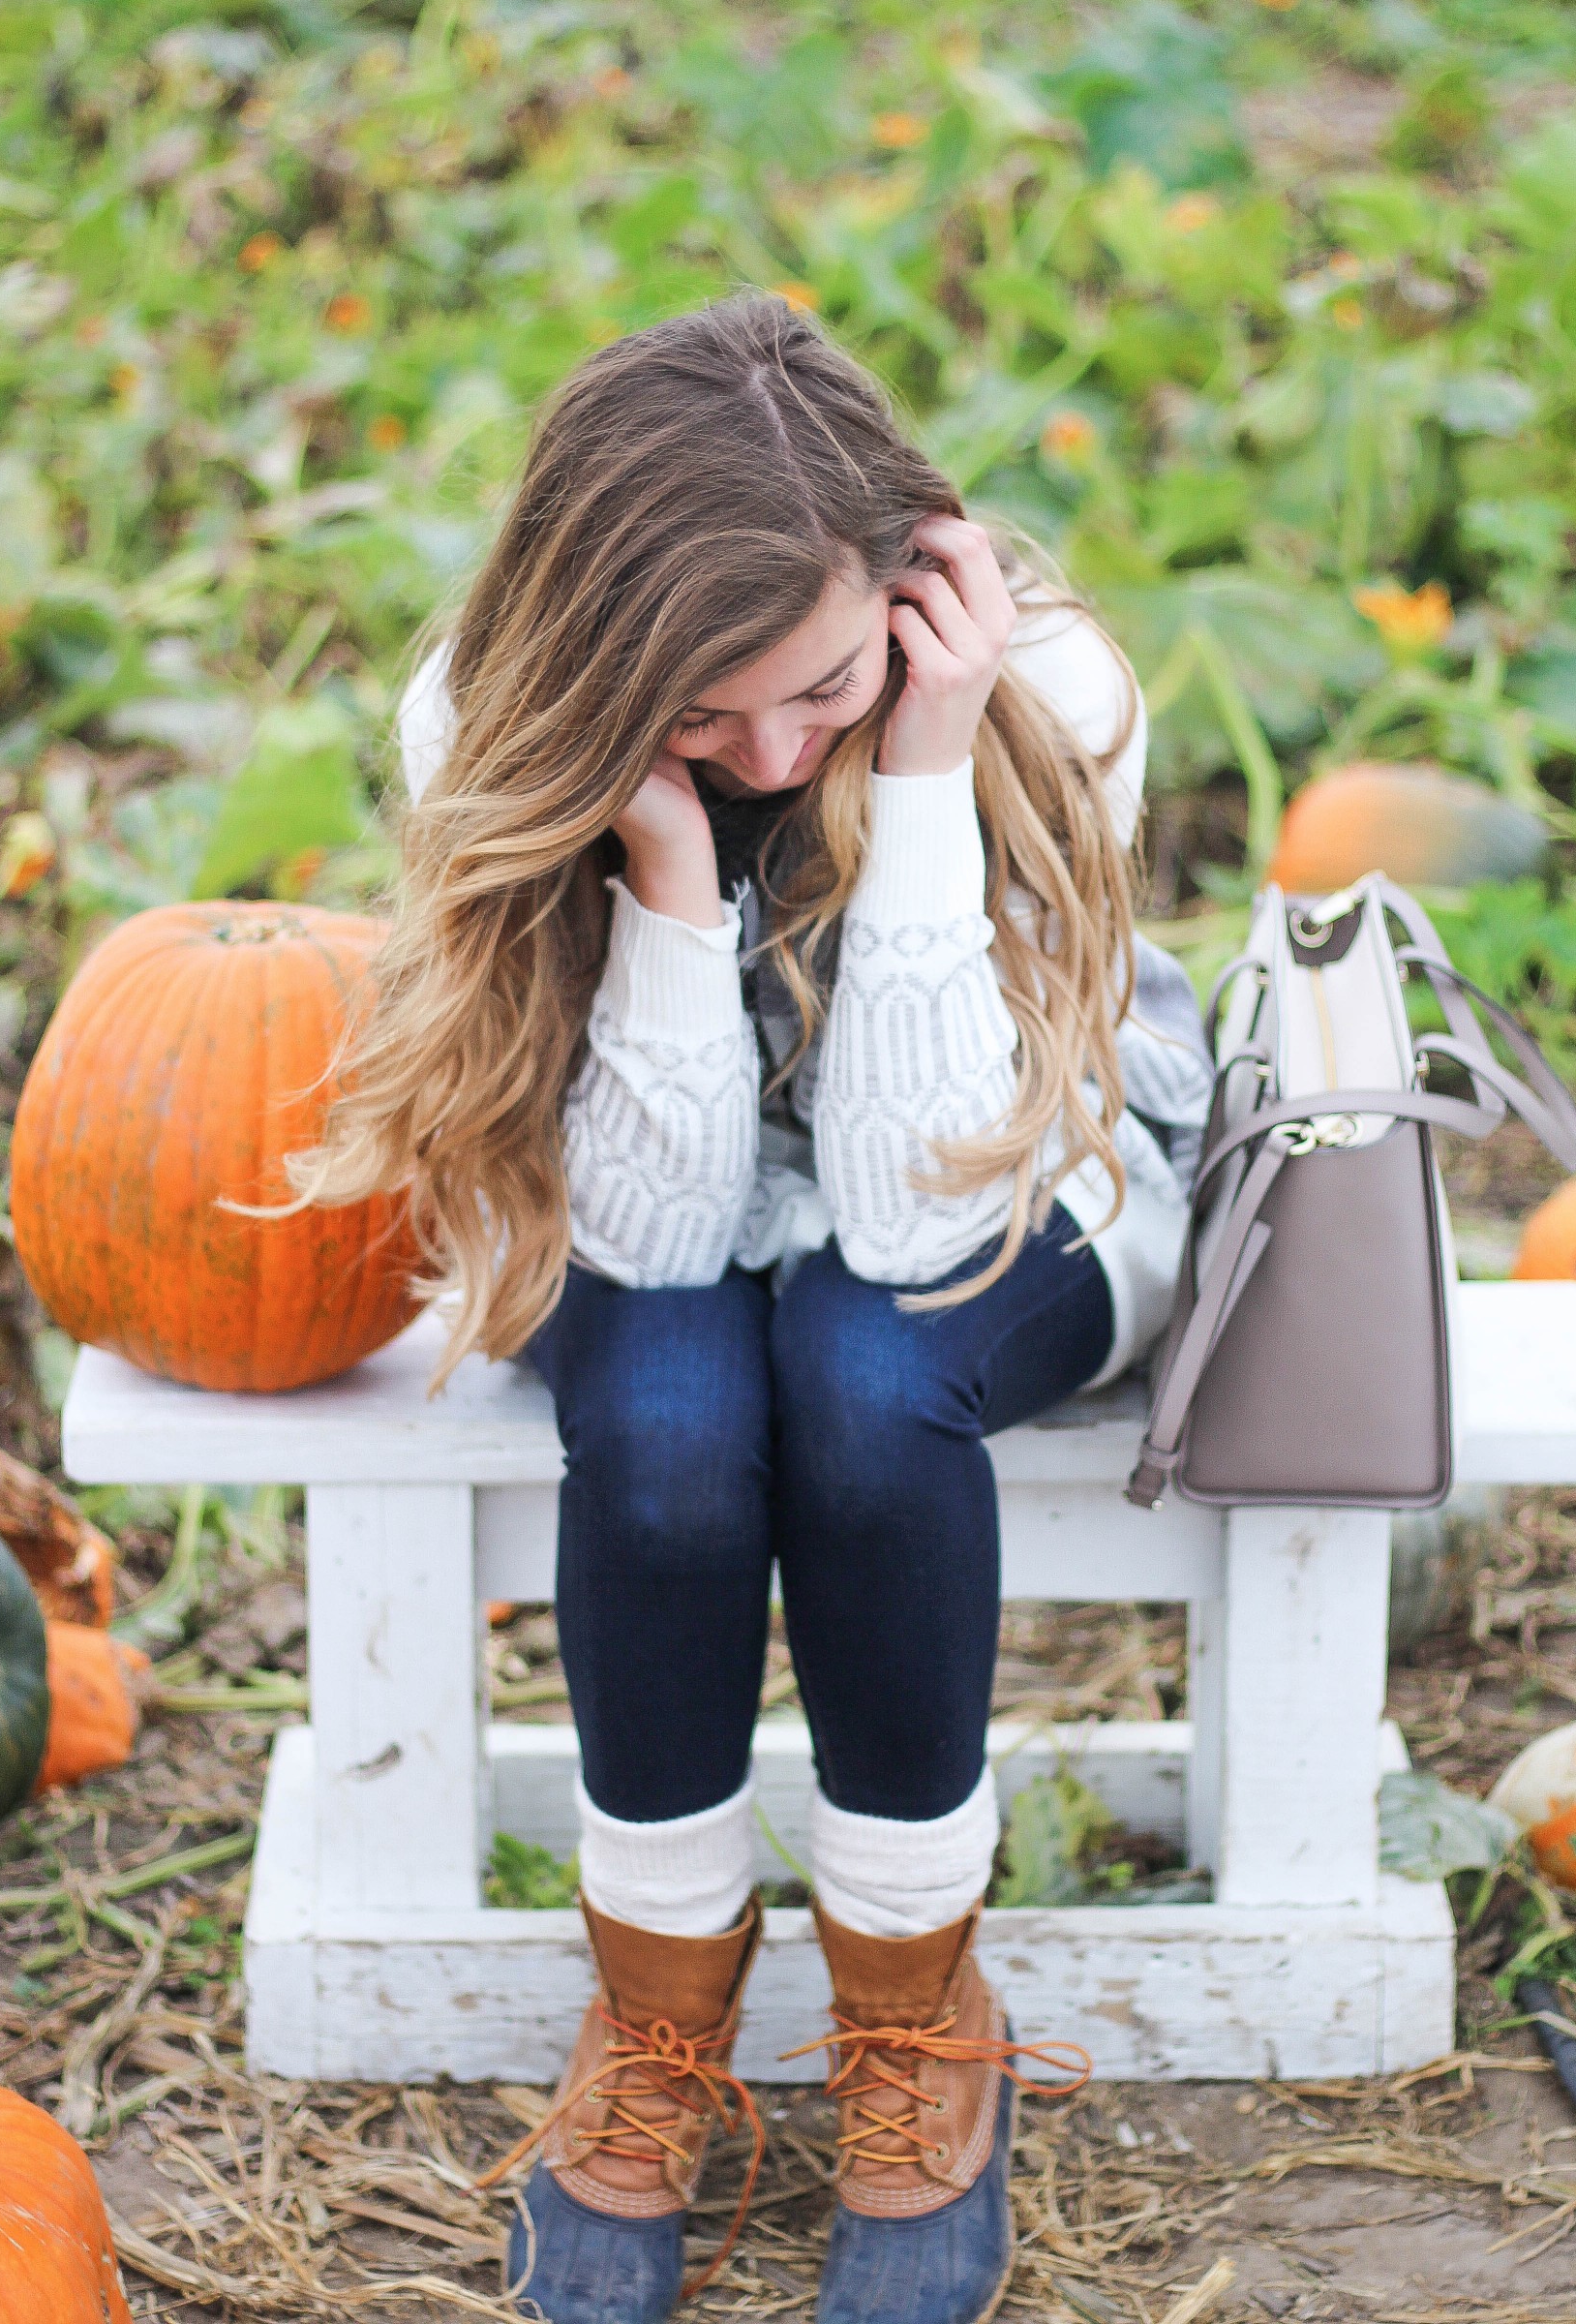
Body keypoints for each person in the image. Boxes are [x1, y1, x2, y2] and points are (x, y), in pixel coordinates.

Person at [298, 292, 1212, 2324]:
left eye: (817, 683)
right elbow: (648, 1228)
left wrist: (934, 761)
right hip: (633, 1181)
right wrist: (669, 872)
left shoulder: (1045, 686)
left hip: (1014, 1164)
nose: (782, 751)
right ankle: (659, 2025)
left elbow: (909, 1219)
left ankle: (913, 2027)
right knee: (674, 1418)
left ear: (909, 582)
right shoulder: (496, 713)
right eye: (707, 715)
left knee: (869, 1378)